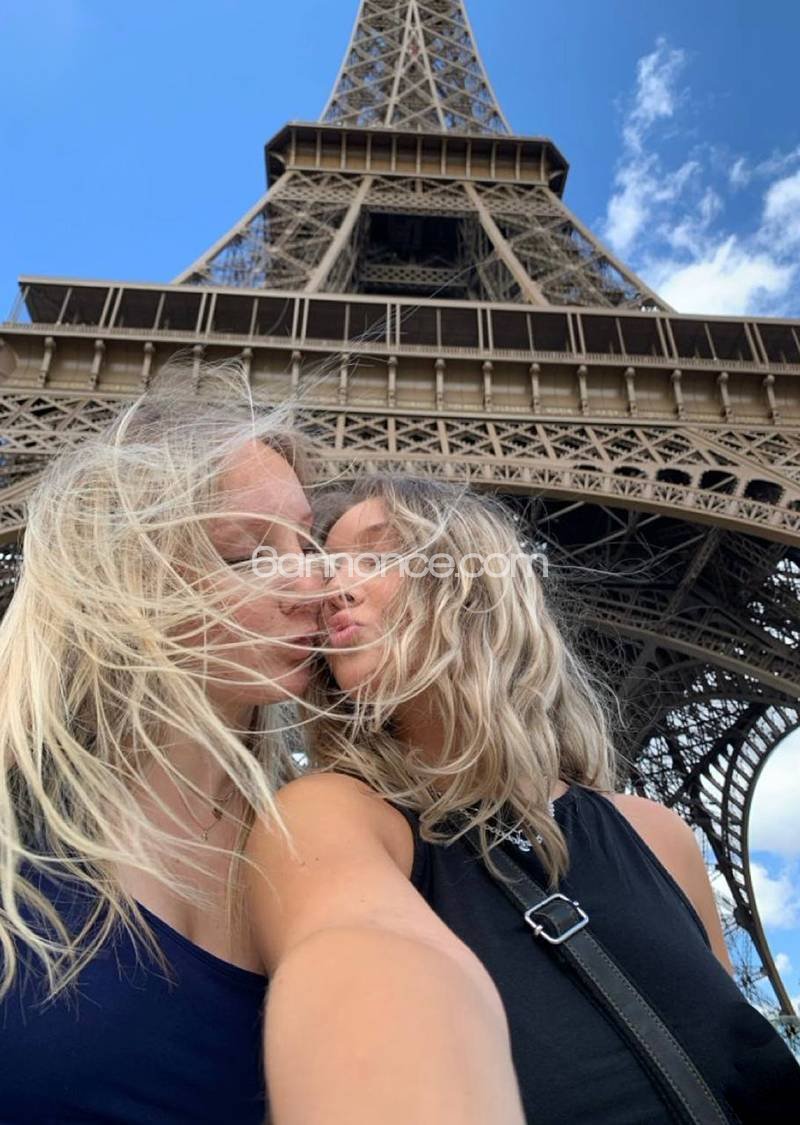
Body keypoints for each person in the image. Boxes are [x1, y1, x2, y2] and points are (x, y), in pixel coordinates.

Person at [0, 369, 527, 1125]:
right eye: (247, 553)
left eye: (308, 545)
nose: (316, 584)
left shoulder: (332, 842)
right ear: (119, 576)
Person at [246, 473, 800, 1124]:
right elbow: (353, 952)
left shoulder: (658, 834)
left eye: (377, 555)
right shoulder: (334, 817)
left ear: (477, 580)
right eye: (329, 567)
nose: (334, 587)